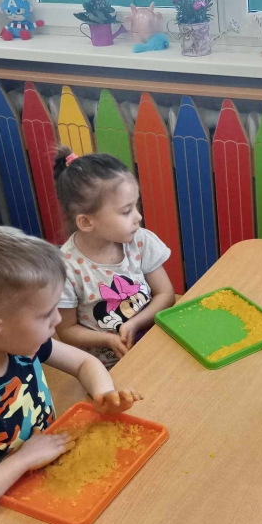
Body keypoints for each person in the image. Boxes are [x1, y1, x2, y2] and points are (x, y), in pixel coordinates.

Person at [0, 225, 142, 524]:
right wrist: (21, 461)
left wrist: (103, 394)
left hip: (47, 481)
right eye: (45, 314)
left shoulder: (20, 345)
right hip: (0, 522)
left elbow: (84, 363)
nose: (58, 321)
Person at [54, 148, 175, 367]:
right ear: (87, 222)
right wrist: (108, 340)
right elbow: (67, 330)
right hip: (110, 366)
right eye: (126, 211)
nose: (138, 216)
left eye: (136, 205)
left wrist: (135, 323)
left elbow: (166, 294)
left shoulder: (140, 241)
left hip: (157, 344)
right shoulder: (66, 268)